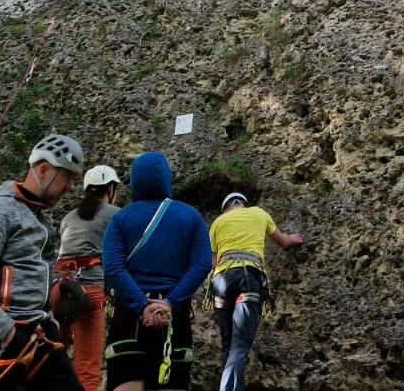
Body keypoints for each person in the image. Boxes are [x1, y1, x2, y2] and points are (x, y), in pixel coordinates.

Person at [0, 133, 87, 391]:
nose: (71, 186)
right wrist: (6, 332)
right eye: (68, 176)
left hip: (38, 336)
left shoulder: (42, 223)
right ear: (44, 169)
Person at [101, 153, 211, 391]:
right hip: (174, 317)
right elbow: (202, 264)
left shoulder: (120, 219)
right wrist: (170, 303)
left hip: (129, 317)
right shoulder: (191, 216)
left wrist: (142, 305)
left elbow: (113, 267)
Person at [207, 191, 303, 391]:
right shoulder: (259, 213)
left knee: (228, 344)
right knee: (240, 345)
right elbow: (284, 242)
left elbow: (213, 263)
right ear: (243, 204)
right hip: (248, 277)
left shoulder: (218, 223)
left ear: (226, 208)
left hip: (221, 281)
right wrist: (293, 239)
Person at [56, 165, 122, 391]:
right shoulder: (115, 214)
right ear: (111, 188)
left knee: (53, 362)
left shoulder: (67, 218)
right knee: (86, 367)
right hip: (89, 291)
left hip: (58, 290)